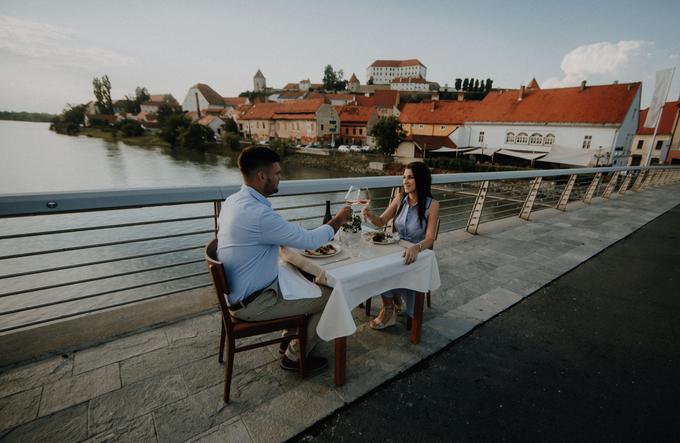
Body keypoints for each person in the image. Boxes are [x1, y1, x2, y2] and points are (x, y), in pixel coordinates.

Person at [216, 146, 352, 372]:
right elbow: (309, 241)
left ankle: (290, 337)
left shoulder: (233, 201)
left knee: (305, 276)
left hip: (241, 292)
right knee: (333, 295)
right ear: (262, 176)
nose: (280, 178)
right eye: (277, 173)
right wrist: (337, 220)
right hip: (254, 302)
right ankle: (294, 355)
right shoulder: (259, 215)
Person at [361, 161, 440, 329]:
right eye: (404, 177)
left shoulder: (432, 205)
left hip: (416, 254)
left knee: (382, 268)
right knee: (373, 262)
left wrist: (416, 247)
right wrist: (369, 215)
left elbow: (430, 238)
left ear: (421, 179)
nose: (405, 181)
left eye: (410, 177)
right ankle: (390, 306)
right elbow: (381, 221)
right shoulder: (400, 198)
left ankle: (391, 304)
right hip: (395, 249)